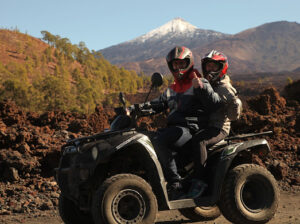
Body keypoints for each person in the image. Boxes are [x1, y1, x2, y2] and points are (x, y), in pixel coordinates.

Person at [149, 46, 223, 199]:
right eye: (175, 65)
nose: (178, 68)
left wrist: (201, 88)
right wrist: (131, 109)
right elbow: (157, 104)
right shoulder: (173, 88)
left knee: (160, 140)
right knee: (148, 137)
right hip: (177, 129)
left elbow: (215, 104)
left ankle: (175, 184)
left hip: (191, 129)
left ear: (188, 63)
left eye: (181, 64)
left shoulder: (199, 81)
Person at [186, 50, 243, 198]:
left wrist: (234, 104)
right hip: (206, 125)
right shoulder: (210, 83)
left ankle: (200, 181)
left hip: (219, 127)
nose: (210, 70)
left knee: (200, 141)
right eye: (208, 67)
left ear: (222, 68)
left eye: (214, 67)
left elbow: (233, 114)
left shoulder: (225, 87)